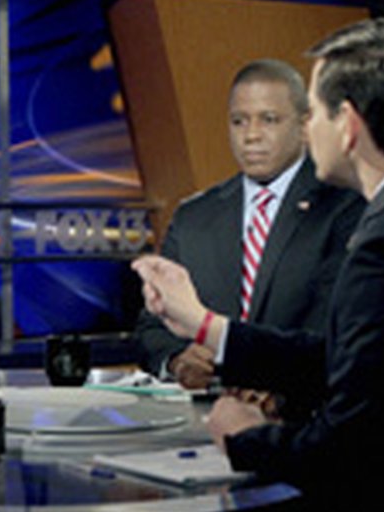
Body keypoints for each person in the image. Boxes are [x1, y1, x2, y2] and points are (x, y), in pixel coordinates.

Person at [134, 16, 384, 510]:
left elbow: (353, 452)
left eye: (313, 113)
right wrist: (207, 327)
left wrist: (244, 438)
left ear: (347, 125)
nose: (308, 128)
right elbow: (353, 364)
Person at [135, 59, 364, 395]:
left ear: (304, 126)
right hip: (201, 422)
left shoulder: (345, 208)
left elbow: (333, 334)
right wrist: (176, 359)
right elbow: (151, 326)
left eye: (269, 120)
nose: (252, 135)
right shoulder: (194, 216)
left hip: (298, 419)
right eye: (239, 122)